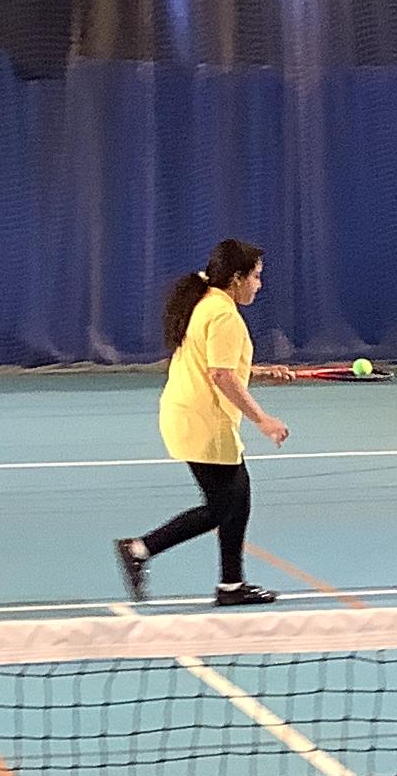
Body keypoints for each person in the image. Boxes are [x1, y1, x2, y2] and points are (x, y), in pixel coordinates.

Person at [116, 238, 286, 607]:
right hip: (203, 420)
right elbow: (221, 375)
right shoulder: (223, 315)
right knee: (223, 507)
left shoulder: (206, 301)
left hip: (189, 414)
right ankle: (140, 549)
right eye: (256, 277)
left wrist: (259, 372)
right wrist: (263, 420)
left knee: (236, 499)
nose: (259, 285)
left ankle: (231, 585)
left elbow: (218, 365)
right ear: (237, 278)